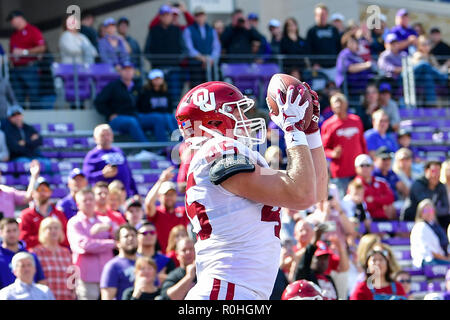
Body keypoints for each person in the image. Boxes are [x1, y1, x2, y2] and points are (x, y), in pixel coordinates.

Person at [175, 80, 327, 300]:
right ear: (214, 119)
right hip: (228, 290)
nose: (246, 119)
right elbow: (301, 193)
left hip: (236, 290)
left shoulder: (232, 156)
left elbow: (314, 193)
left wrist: (311, 131)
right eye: (237, 111)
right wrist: (293, 128)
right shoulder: (218, 150)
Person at [94, 63, 168, 143]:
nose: (128, 72)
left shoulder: (137, 87)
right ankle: (146, 148)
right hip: (118, 118)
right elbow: (98, 102)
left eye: (130, 70)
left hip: (135, 116)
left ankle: (164, 148)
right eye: (125, 70)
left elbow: (142, 104)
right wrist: (110, 114)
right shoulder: (113, 86)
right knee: (131, 121)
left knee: (158, 118)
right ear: (120, 72)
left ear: (133, 71)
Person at [67, 188, 116, 300]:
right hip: (86, 276)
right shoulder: (74, 222)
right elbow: (85, 245)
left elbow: (119, 235)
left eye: (91, 199)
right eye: (85, 200)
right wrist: (111, 243)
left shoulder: (106, 221)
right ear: (78, 204)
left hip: (107, 275)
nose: (88, 202)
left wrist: (110, 228)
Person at [321, 93, 367, 197]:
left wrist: (365, 159)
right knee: (344, 201)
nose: (338, 105)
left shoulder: (356, 120)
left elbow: (362, 142)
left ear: (346, 104)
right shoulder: (328, 125)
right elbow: (323, 149)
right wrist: (333, 153)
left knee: (360, 200)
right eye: (335, 103)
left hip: (358, 170)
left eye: (340, 102)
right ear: (331, 106)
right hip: (340, 173)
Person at [83, 124, 138, 197]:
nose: (106, 137)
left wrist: (136, 193)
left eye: (108, 134)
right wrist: (102, 174)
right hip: (107, 198)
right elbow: (86, 178)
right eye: (102, 135)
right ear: (95, 138)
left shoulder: (119, 151)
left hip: (125, 195)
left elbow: (129, 174)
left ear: (112, 136)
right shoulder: (92, 155)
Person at [144, 4, 184, 102]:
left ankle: (175, 113)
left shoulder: (177, 30)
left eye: (168, 15)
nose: (166, 17)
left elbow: (184, 49)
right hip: (157, 69)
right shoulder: (153, 30)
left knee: (175, 94)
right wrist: (155, 61)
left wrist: (177, 60)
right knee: (158, 94)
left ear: (171, 16)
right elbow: (146, 50)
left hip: (174, 68)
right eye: (164, 15)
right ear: (160, 17)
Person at [145, 167, 189, 254]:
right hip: (162, 257)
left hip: (181, 256)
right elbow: (148, 203)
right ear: (159, 196)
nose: (169, 198)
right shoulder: (157, 213)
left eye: (172, 194)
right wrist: (161, 181)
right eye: (166, 195)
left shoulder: (182, 212)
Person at [30, 217, 76, 300]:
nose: (53, 231)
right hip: (44, 297)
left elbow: (72, 277)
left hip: (66, 297)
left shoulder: (66, 252)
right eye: (49, 228)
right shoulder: (36, 252)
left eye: (56, 228)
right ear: (42, 232)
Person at [7, 10, 46, 108]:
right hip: (16, 70)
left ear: (19, 18)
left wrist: (25, 52)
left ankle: (36, 120)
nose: (11, 23)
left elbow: (42, 48)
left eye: (12, 20)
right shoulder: (14, 35)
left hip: (30, 68)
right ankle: (19, 120)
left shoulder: (32, 30)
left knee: (34, 95)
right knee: (18, 97)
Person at [19, 177, 69, 250]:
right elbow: (23, 240)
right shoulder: (26, 215)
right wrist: (46, 238)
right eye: (39, 190)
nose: (42, 193)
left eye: (46, 190)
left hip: (57, 254)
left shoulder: (59, 214)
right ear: (33, 193)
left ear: (50, 192)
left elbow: (65, 237)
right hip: (35, 254)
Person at [292, 224, 339, 300]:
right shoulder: (307, 277)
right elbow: (304, 265)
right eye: (319, 258)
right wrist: (315, 240)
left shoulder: (329, 278)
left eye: (325, 258)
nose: (323, 262)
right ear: (312, 259)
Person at [402, 160, 449, 229]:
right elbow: (425, 206)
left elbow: (446, 208)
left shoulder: (441, 186)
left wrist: (434, 211)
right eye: (433, 171)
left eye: (438, 171)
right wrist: (434, 210)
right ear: (426, 171)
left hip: (431, 214)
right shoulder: (418, 184)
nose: (436, 174)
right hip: (413, 215)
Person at [0, 218, 46, 288]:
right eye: (8, 231)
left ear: (19, 231)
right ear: (1, 233)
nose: (12, 234)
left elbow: (41, 281)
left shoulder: (31, 256)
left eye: (14, 230)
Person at [182, 6, 221, 87]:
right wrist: (202, 58)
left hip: (210, 65)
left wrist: (210, 59)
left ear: (205, 16)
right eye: (197, 15)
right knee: (196, 89)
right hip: (195, 65)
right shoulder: (188, 30)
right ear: (194, 17)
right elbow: (189, 48)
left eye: (202, 15)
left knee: (212, 88)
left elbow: (216, 47)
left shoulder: (211, 30)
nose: (200, 17)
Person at [100, 224, 138, 300]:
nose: (130, 238)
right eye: (126, 236)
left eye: (133, 235)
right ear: (118, 243)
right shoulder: (112, 266)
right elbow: (107, 297)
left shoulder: (145, 262)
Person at [353, 154, 396, 220]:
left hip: (382, 215)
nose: (365, 168)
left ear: (372, 167)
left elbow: (391, 198)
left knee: (391, 206)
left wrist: (374, 199)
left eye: (367, 165)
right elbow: (360, 202)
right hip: (365, 217)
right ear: (356, 168)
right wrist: (380, 201)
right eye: (362, 166)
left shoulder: (381, 182)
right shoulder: (354, 184)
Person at [305, 3, 342, 80]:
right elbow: (308, 50)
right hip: (319, 68)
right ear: (315, 16)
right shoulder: (311, 31)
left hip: (333, 67)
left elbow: (339, 46)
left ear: (327, 15)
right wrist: (313, 64)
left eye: (324, 14)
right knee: (319, 90)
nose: (322, 17)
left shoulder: (333, 29)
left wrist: (338, 62)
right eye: (320, 15)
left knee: (336, 90)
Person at [410, 199, 449, 268]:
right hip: (426, 261)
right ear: (420, 213)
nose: (429, 213)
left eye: (431, 210)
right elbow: (429, 251)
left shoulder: (436, 226)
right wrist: (446, 259)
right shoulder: (420, 227)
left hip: (439, 259)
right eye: (425, 211)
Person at [137, 69, 178, 135]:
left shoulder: (166, 92)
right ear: (151, 80)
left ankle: (180, 139)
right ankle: (174, 138)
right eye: (155, 79)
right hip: (148, 116)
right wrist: (161, 113)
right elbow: (144, 109)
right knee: (161, 117)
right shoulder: (145, 92)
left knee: (172, 117)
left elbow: (170, 109)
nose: (157, 80)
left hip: (164, 116)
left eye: (159, 78)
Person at [411, 35, 449, 108]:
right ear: (419, 46)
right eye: (424, 44)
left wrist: (446, 65)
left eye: (428, 44)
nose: (427, 46)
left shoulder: (431, 57)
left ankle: (432, 104)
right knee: (427, 74)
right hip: (419, 82)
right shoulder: (417, 55)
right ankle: (445, 79)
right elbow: (421, 71)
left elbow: (438, 69)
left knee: (428, 77)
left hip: (430, 81)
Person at [136, 222, 175, 287]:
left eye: (152, 233)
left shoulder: (166, 261)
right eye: (144, 233)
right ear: (137, 236)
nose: (148, 235)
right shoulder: (131, 259)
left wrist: (168, 279)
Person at [335, 35, 374, 100]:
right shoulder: (345, 53)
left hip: (358, 87)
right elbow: (350, 68)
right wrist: (366, 65)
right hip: (348, 87)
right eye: (351, 42)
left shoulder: (356, 54)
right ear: (346, 43)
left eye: (355, 42)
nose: (354, 44)